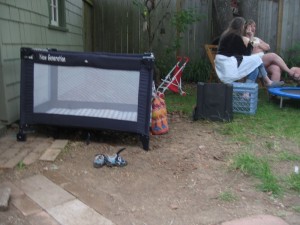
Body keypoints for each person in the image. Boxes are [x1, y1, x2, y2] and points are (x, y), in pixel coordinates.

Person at [215, 17, 284, 87]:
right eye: (243, 26)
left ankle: (246, 94)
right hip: (229, 65)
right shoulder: (236, 37)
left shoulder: (226, 34)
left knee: (255, 68)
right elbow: (247, 54)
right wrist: (251, 37)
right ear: (241, 26)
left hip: (225, 64)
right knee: (257, 59)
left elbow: (215, 42)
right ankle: (268, 82)